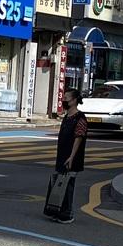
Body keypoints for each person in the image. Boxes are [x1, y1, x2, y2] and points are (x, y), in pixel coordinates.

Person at [49, 88, 88, 223]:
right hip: (62, 155)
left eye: (66, 98)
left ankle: (67, 213)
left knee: (68, 185)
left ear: (75, 100)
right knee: (59, 183)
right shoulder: (66, 117)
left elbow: (79, 137)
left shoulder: (80, 117)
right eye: (63, 98)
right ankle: (57, 210)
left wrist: (72, 156)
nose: (64, 100)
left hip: (72, 157)